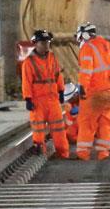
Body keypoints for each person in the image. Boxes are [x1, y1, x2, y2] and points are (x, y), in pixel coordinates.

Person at [72, 21, 110, 161]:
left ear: (84, 35)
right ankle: (103, 154)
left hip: (95, 92)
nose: (80, 42)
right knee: (106, 124)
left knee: (87, 123)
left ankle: (83, 154)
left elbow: (86, 71)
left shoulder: (88, 48)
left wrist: (82, 88)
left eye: (80, 39)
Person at [19, 30, 72, 159]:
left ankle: (63, 154)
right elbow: (27, 81)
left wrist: (61, 91)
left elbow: (58, 75)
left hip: (52, 99)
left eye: (48, 42)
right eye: (43, 43)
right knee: (39, 130)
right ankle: (40, 155)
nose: (46, 45)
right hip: (38, 101)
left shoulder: (52, 58)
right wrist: (28, 98)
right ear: (36, 44)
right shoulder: (29, 62)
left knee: (59, 129)